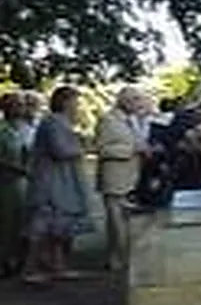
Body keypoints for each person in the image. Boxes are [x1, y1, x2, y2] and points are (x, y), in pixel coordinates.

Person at [22, 86, 93, 284]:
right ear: (64, 102)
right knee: (42, 228)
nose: (78, 107)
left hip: (60, 180)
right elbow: (60, 151)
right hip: (51, 182)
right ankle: (29, 270)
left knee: (58, 228)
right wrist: (81, 146)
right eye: (75, 102)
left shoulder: (60, 122)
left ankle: (58, 267)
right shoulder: (53, 121)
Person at [94, 86, 149, 272]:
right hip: (114, 178)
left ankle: (123, 258)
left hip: (133, 176)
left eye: (140, 99)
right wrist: (132, 150)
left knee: (127, 222)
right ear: (125, 101)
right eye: (136, 100)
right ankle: (118, 260)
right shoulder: (108, 120)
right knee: (116, 223)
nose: (139, 104)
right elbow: (102, 149)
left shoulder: (132, 120)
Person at [0, 93, 31, 277]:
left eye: (21, 104)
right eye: (15, 104)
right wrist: (19, 168)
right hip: (6, 183)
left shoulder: (26, 128)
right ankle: (5, 261)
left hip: (27, 183)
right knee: (7, 223)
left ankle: (22, 260)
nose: (20, 108)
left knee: (26, 222)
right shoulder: (2, 130)